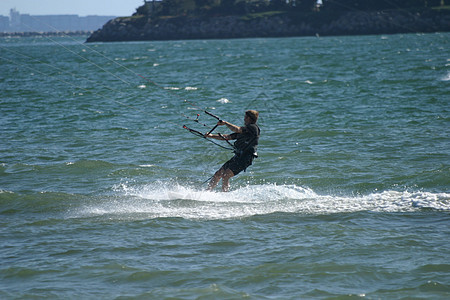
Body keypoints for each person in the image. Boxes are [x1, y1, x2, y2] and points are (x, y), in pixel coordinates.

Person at [204, 110, 260, 192]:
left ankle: (224, 195)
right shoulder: (245, 130)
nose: (244, 119)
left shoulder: (253, 128)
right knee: (218, 174)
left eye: (245, 117)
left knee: (226, 175)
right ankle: (207, 192)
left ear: (249, 118)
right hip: (238, 156)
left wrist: (225, 123)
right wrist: (211, 136)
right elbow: (227, 137)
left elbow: (237, 129)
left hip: (246, 158)